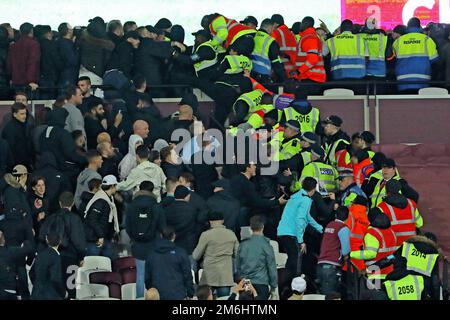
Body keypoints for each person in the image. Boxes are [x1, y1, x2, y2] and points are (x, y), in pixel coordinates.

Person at [277, 177, 323, 295]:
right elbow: (300, 219)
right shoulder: (306, 200)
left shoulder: (297, 196)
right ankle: (295, 290)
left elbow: (307, 217)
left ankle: (285, 287)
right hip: (291, 233)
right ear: (313, 190)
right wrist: (301, 241)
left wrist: (320, 228)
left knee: (291, 260)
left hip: (282, 232)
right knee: (297, 259)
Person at [38, 192, 86, 299]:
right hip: (71, 260)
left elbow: (41, 237)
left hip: (53, 258)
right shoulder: (75, 219)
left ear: (60, 203)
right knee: (71, 288)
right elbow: (79, 242)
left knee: (55, 289)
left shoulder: (51, 218)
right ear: (73, 203)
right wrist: (81, 257)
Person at [126, 181, 166, 298]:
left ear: (139, 188)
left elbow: (127, 226)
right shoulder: (157, 206)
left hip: (137, 245)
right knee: (155, 274)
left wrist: (134, 237)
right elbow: (162, 226)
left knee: (140, 275)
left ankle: (140, 298)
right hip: (154, 245)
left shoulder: (131, 206)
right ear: (152, 190)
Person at [192, 211, 239, 298]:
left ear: (210, 221)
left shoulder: (206, 235)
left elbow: (196, 255)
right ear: (222, 221)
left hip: (209, 275)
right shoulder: (231, 234)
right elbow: (238, 254)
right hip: (225, 276)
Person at [40, 108, 88, 187]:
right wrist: (85, 160)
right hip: (64, 171)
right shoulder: (62, 133)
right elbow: (70, 153)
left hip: (46, 170)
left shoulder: (43, 133)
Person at [145, 226, 194, 300]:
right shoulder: (181, 253)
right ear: (174, 236)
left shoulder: (151, 254)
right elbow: (187, 275)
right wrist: (190, 293)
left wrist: (152, 292)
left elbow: (147, 278)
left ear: (161, 236)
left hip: (158, 295)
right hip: (178, 295)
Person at [236, 215, 278, 300]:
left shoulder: (243, 245)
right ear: (262, 226)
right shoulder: (266, 245)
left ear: (251, 227)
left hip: (245, 284)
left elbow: (238, 266)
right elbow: (271, 267)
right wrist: (273, 286)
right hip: (261, 284)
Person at [350, 208, 397, 280]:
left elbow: (371, 253)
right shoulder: (391, 231)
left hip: (375, 274)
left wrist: (350, 254)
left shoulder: (372, 233)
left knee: (374, 290)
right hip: (391, 272)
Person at [393, 17, 438, 92]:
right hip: (423, 79)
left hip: (402, 79)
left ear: (407, 27)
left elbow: (393, 59)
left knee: (405, 102)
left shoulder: (398, 41)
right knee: (420, 103)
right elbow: (434, 59)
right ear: (419, 26)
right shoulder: (427, 39)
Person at [83, 175, 120, 259]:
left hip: (103, 237)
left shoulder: (108, 198)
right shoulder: (101, 200)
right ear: (112, 186)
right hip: (95, 239)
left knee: (107, 263)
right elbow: (92, 219)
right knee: (94, 266)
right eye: (115, 185)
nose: (116, 188)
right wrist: (100, 236)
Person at [377, 180, 423, 246]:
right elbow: (420, 223)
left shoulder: (382, 206)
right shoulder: (411, 203)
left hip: (393, 244)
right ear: (400, 189)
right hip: (411, 243)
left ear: (386, 191)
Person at [317, 206, 351, 295]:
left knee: (324, 294)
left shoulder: (329, 225)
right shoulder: (343, 228)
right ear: (348, 217)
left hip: (320, 265)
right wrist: (346, 257)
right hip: (332, 266)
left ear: (336, 215)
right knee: (331, 295)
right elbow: (345, 251)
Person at [163, 185, 200, 257]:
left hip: (172, 244)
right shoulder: (193, 209)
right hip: (188, 245)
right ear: (187, 196)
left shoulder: (167, 209)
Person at [30, 230, 65, 300]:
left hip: (36, 294)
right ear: (60, 241)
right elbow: (55, 279)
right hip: (51, 295)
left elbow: (31, 273)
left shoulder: (40, 255)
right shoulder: (56, 256)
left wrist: (39, 286)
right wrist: (63, 293)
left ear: (47, 240)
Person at [294, 16, 326, 93]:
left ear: (305, 24)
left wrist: (299, 71)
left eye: (301, 23)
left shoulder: (309, 38)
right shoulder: (309, 37)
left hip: (311, 78)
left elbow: (313, 60)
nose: (300, 25)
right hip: (311, 78)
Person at [0, 229, 32, 300]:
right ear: (4, 240)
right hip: (9, 290)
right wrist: (27, 238)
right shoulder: (11, 251)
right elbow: (28, 249)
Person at [6, 22, 40, 90]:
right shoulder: (34, 44)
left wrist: (10, 77)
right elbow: (33, 63)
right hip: (29, 83)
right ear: (31, 31)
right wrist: (31, 80)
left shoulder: (13, 45)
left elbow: (9, 64)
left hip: (15, 80)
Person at [251, 18, 285, 83]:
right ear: (269, 28)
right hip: (264, 77)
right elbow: (276, 63)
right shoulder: (271, 41)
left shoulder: (252, 36)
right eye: (273, 29)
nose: (272, 31)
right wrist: (283, 79)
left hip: (251, 75)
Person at [1, 103, 34, 168]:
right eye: (22, 114)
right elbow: (10, 150)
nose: (24, 116)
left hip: (23, 164)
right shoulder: (10, 129)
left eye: (25, 113)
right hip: (16, 166)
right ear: (15, 114)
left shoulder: (23, 125)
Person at [37, 25, 63, 99]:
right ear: (47, 33)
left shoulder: (37, 44)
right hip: (50, 75)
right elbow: (56, 60)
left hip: (40, 75)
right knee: (49, 97)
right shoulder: (51, 45)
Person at [57, 23, 79, 88]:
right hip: (69, 76)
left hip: (63, 75)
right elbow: (73, 60)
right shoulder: (66, 44)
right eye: (71, 29)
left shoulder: (59, 42)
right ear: (68, 31)